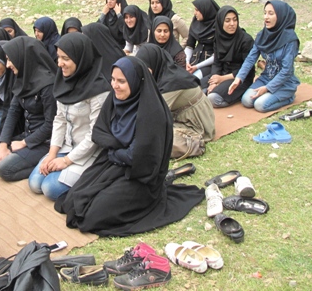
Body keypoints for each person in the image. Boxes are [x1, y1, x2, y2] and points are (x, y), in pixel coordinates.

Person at [55, 56, 205, 236]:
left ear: (136, 81)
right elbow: (98, 133)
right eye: (113, 79)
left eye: (121, 81)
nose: (115, 85)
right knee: (73, 201)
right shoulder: (115, 99)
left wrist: (114, 150)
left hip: (140, 177)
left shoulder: (152, 112)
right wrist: (121, 147)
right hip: (113, 164)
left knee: (92, 216)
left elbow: (138, 156)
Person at [29, 33, 110, 200]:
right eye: (58, 57)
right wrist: (52, 154)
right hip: (65, 146)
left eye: (65, 58)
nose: (60, 64)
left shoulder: (99, 90)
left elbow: (94, 135)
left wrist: (66, 161)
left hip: (88, 151)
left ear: (80, 59)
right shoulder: (64, 81)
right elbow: (59, 120)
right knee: (35, 183)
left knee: (50, 189)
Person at [0, 37, 58, 182]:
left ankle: (42, 166)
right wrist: (3, 145)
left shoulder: (48, 85)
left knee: (4, 169)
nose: (8, 65)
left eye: (10, 59)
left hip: (45, 142)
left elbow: (51, 124)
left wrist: (24, 143)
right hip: (28, 135)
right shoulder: (23, 77)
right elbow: (13, 111)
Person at [228, 0, 301, 112]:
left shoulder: (290, 40)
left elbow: (287, 70)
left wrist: (267, 88)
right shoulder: (263, 35)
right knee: (246, 101)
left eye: (271, 13)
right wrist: (238, 78)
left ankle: (289, 97)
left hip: (284, 82)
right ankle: (270, 95)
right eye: (265, 13)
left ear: (281, 16)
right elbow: (250, 59)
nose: (266, 17)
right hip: (266, 78)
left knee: (260, 105)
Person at [136, 44, 215, 143]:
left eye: (146, 68)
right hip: (185, 117)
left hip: (197, 125)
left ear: (154, 63)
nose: (143, 72)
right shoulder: (166, 73)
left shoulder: (171, 83)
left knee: (153, 140)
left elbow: (154, 116)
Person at [205, 6, 255, 107]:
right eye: (227, 21)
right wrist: (214, 81)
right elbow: (217, 62)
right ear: (220, 22)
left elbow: (248, 69)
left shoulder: (246, 40)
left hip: (240, 78)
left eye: (234, 20)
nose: (232, 24)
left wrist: (222, 79)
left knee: (212, 98)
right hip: (222, 73)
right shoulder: (218, 36)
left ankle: (237, 95)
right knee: (197, 89)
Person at [185, 0, 220, 79]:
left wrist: (197, 67)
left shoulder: (218, 26)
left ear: (206, 10)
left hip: (209, 65)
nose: (194, 13)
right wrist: (186, 62)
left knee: (193, 80)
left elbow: (217, 55)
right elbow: (190, 45)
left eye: (197, 10)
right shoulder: (196, 22)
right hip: (192, 61)